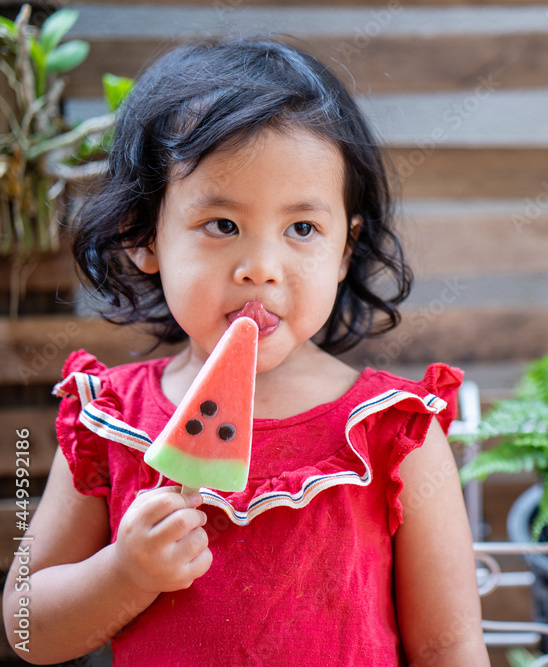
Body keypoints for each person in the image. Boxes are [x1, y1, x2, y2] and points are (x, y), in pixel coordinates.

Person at [1, 38, 489, 666]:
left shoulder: (395, 433)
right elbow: (24, 623)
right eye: (222, 225)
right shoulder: (111, 421)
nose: (261, 268)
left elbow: (449, 645)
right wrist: (124, 573)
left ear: (345, 249)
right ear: (143, 237)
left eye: (302, 229)